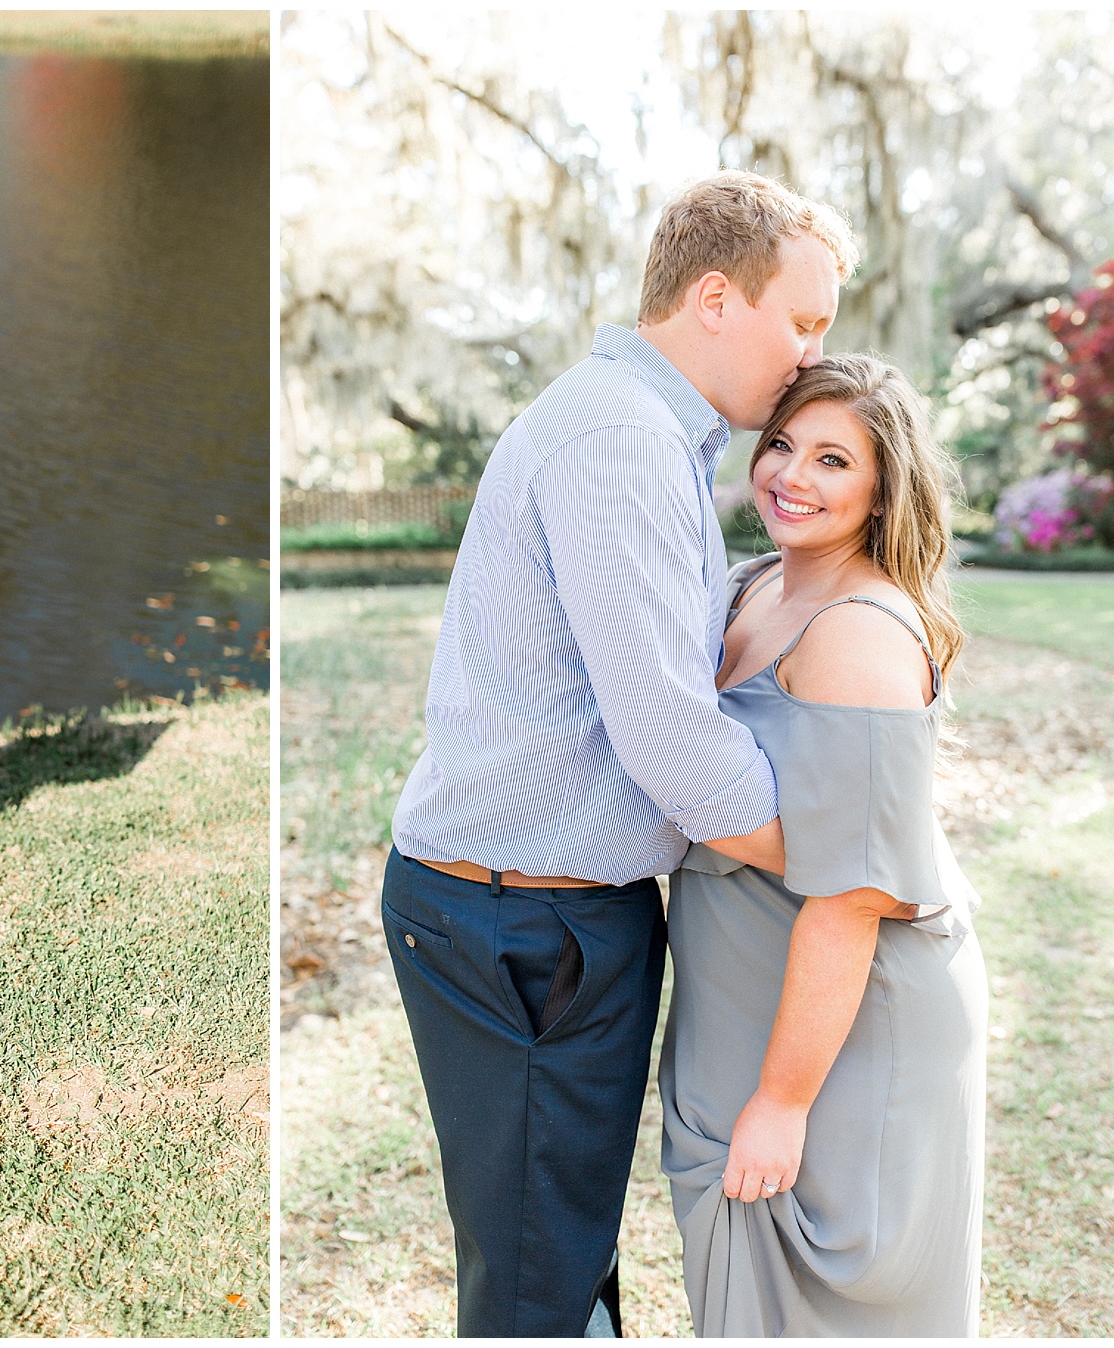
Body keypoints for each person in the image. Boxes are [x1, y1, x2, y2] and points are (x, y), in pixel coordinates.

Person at [382, 171, 859, 1337]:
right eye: (801, 320)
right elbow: (670, 740)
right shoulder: (619, 440)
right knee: (540, 1286)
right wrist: (855, 865)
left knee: (560, 1246)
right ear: (713, 297)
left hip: (543, 916)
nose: (806, 357)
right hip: (520, 927)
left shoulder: (643, 431)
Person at [659, 353, 986, 1336]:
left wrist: (784, 1099)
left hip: (851, 1025)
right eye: (784, 445)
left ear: (884, 487)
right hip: (744, 989)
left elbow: (857, 892)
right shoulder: (753, 585)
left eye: (834, 460)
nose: (793, 476)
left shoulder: (862, 636)